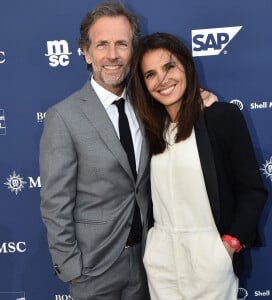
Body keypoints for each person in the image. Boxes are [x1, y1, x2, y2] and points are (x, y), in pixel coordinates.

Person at [40, 2, 216, 299]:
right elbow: (54, 203)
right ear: (85, 52)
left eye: (122, 44)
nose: (112, 55)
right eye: (102, 44)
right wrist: (71, 267)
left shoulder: (149, 105)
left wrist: (198, 98)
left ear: (133, 50)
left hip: (151, 261)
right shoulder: (64, 117)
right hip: (93, 269)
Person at [129, 32, 268, 300]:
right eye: (151, 74)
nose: (163, 80)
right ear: (143, 84)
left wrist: (228, 246)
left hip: (210, 256)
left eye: (169, 66)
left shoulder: (221, 117)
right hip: (161, 258)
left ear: (186, 67)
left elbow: (253, 191)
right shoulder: (148, 129)